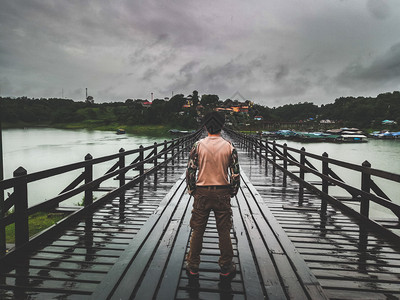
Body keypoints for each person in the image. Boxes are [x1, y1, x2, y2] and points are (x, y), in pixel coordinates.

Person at [185, 111, 240, 279]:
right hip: (222, 192)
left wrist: (192, 190)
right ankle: (226, 266)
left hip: (202, 192)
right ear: (222, 126)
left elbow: (191, 171)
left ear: (205, 126)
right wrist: (232, 191)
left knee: (197, 229)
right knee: (224, 230)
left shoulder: (198, 145)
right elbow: (235, 174)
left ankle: (193, 265)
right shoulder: (229, 146)